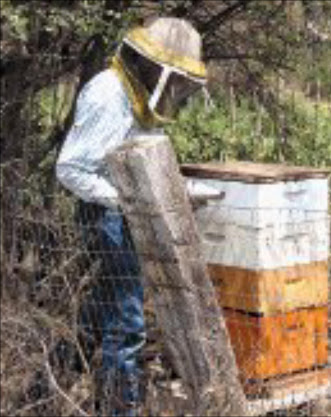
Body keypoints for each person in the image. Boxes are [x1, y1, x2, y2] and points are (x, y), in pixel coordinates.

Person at [56, 17, 216, 416]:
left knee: (106, 304)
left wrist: (184, 193)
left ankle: (55, 373)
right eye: (174, 80)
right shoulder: (108, 94)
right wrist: (128, 204)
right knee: (127, 323)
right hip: (106, 215)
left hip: (124, 214)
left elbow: (147, 160)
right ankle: (117, 408)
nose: (176, 91)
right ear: (152, 65)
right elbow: (72, 169)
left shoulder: (138, 95)